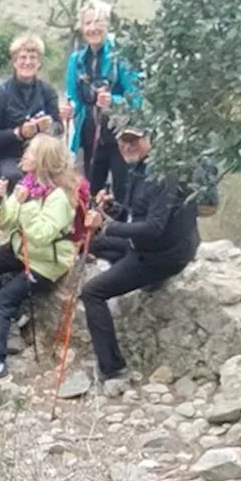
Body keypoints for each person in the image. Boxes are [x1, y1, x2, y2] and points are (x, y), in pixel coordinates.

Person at [82, 122, 200, 382]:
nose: (126, 145)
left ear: (150, 140)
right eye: (123, 140)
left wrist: (109, 226)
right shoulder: (140, 169)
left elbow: (154, 228)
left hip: (162, 255)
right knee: (90, 242)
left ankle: (112, 368)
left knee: (92, 292)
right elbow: (135, 214)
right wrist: (113, 209)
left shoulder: (163, 176)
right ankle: (129, 272)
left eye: (133, 140)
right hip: (149, 245)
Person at [0, 135, 81, 389]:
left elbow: (40, 235)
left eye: (30, 152)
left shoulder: (58, 198)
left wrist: (23, 203)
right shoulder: (28, 184)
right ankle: (11, 316)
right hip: (23, 251)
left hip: (45, 263)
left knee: (1, 301)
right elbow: (3, 222)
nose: (24, 155)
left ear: (42, 161)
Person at [63, 0, 142, 202]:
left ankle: (120, 231)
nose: (92, 28)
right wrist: (69, 108)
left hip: (121, 139)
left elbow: (137, 97)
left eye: (98, 22)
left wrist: (114, 102)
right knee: (86, 192)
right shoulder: (76, 60)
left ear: (107, 25)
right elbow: (73, 96)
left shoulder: (121, 56)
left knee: (122, 195)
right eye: (88, 23)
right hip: (89, 137)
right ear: (81, 27)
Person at [0, 33, 63, 188]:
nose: (27, 62)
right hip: (10, 157)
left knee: (59, 181)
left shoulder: (48, 92)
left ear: (39, 62)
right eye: (23, 57)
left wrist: (47, 127)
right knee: (17, 178)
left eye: (33, 58)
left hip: (42, 158)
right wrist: (19, 133)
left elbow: (59, 130)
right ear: (14, 61)